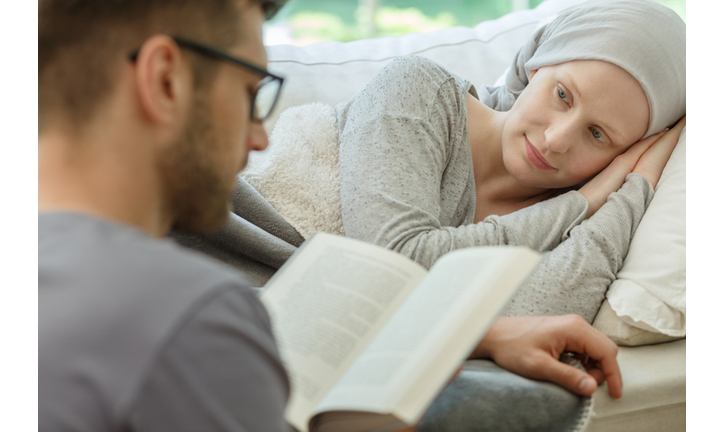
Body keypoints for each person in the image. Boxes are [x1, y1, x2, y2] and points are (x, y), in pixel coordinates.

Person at [39, 1, 624, 431]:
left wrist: (480, 335)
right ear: (164, 80)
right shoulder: (194, 322)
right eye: (251, 93)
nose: (261, 137)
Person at [334, 0, 686, 323]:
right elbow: (387, 272)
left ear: (624, 154)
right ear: (537, 65)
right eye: (563, 95)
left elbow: (546, 314)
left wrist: (632, 185)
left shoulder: (576, 232)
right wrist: (582, 202)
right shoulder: (418, 90)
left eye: (597, 134)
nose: (555, 140)